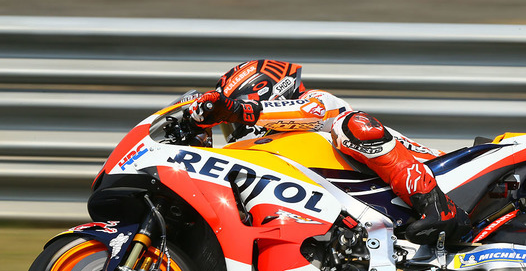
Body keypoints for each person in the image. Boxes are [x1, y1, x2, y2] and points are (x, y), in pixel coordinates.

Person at [188, 59, 471, 246]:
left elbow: (313, 112)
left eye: (232, 119)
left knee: (351, 125)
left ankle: (436, 206)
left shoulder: (315, 102)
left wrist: (240, 112)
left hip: (442, 171)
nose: (234, 130)